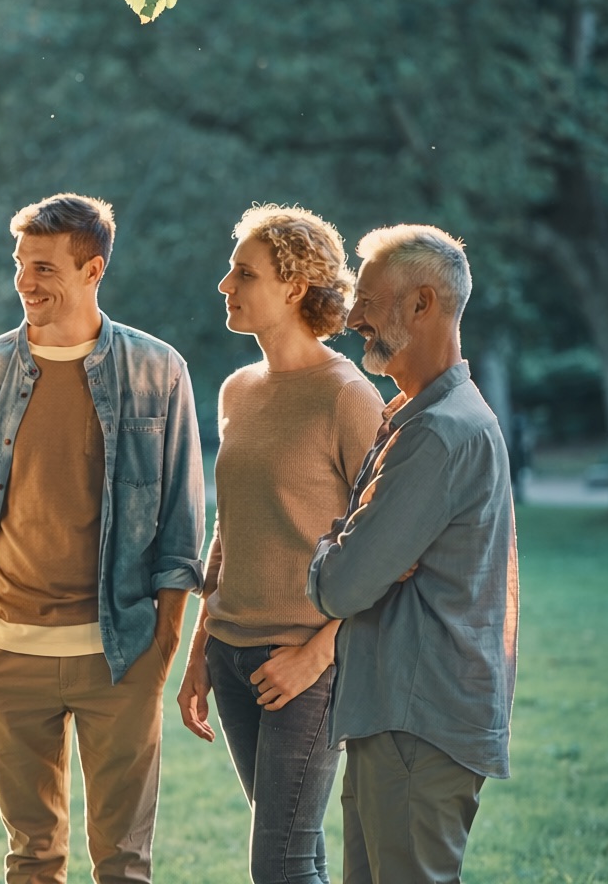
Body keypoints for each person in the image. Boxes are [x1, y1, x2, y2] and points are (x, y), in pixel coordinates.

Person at [0, 192, 205, 883]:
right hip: (5, 653)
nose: (25, 281)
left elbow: (181, 524)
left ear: (93, 271)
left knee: (124, 863)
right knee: (31, 858)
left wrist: (163, 646)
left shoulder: (158, 371)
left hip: (120, 658)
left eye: (45, 268)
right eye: (21, 264)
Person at [176, 204, 384, 883]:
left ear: (294, 287)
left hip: (303, 666)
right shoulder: (238, 390)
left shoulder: (347, 397)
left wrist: (315, 656)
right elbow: (228, 532)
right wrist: (200, 651)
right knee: (295, 856)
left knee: (281, 863)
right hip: (235, 659)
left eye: (243, 273)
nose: (224, 286)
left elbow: (385, 549)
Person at [307, 225, 520, 884]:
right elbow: (362, 563)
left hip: (415, 722)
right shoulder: (423, 415)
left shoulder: (434, 432)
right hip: (405, 718)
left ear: (423, 305)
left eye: (368, 299)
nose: (354, 317)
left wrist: (331, 547)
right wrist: (355, 544)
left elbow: (341, 586)